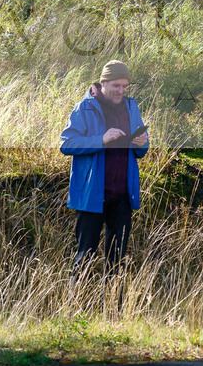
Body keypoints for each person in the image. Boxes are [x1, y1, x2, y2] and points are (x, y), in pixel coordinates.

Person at [60, 60, 149, 278]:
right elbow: (67, 144)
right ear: (103, 83)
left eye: (125, 86)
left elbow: (140, 151)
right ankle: (76, 300)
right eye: (116, 86)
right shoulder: (84, 107)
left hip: (123, 196)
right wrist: (101, 139)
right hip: (92, 195)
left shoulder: (131, 107)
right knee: (85, 258)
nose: (121, 91)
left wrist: (142, 143)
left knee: (117, 260)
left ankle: (114, 301)